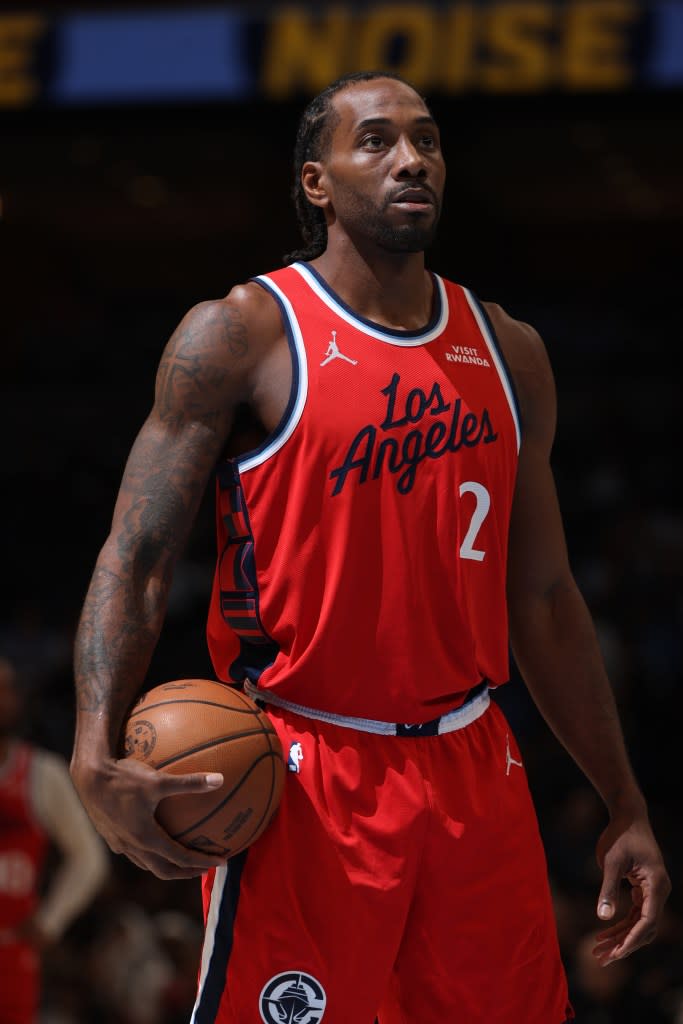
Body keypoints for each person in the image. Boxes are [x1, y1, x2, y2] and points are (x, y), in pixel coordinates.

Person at [69, 70, 671, 1024]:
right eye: (378, 141)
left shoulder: (509, 350)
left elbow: (546, 597)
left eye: (427, 141)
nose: (411, 160)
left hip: (476, 767)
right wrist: (91, 750)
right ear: (317, 181)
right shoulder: (241, 333)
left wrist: (621, 798)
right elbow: (134, 556)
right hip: (307, 768)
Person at [0, 655, 109, 1023]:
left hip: (10, 948)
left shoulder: (41, 773)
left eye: (6, 687)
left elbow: (89, 859)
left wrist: (51, 920)